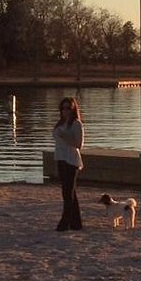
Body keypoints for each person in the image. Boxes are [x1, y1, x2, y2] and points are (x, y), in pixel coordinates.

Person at [53, 97, 84, 231]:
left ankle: (64, 222)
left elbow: (78, 144)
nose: (65, 111)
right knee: (70, 192)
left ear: (73, 110)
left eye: (68, 108)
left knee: (68, 193)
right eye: (63, 108)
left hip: (71, 160)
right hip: (61, 158)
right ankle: (76, 223)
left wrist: (65, 137)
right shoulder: (60, 123)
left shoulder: (76, 124)